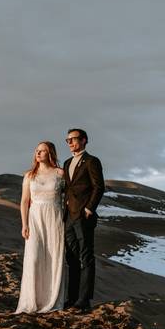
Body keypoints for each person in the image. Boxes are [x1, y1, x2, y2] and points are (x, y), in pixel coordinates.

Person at [15, 141, 67, 313]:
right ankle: (32, 301)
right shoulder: (29, 175)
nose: (38, 153)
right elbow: (24, 201)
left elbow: (68, 198)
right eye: (37, 150)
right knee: (34, 257)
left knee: (53, 257)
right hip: (35, 218)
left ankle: (51, 301)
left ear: (50, 153)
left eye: (42, 151)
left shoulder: (60, 173)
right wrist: (24, 224)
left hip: (54, 217)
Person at [62, 128, 105, 311]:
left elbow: (99, 186)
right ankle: (72, 299)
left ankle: (84, 301)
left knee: (86, 257)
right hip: (68, 217)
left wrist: (89, 208)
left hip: (83, 216)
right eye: (68, 140)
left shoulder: (92, 161)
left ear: (84, 140)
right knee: (71, 258)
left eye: (74, 139)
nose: (70, 143)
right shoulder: (67, 163)